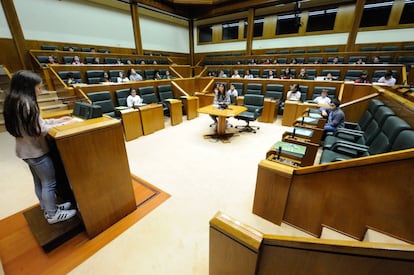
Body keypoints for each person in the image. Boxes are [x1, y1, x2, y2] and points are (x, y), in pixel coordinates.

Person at [3, 70, 77, 224]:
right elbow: (41, 130)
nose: (40, 90)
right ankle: (52, 214)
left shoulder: (14, 101)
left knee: (39, 181)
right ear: (28, 87)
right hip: (36, 152)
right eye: (38, 87)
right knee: (49, 183)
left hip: (24, 151)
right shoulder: (28, 104)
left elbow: (37, 124)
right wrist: (65, 124)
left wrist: (57, 120)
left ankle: (47, 207)